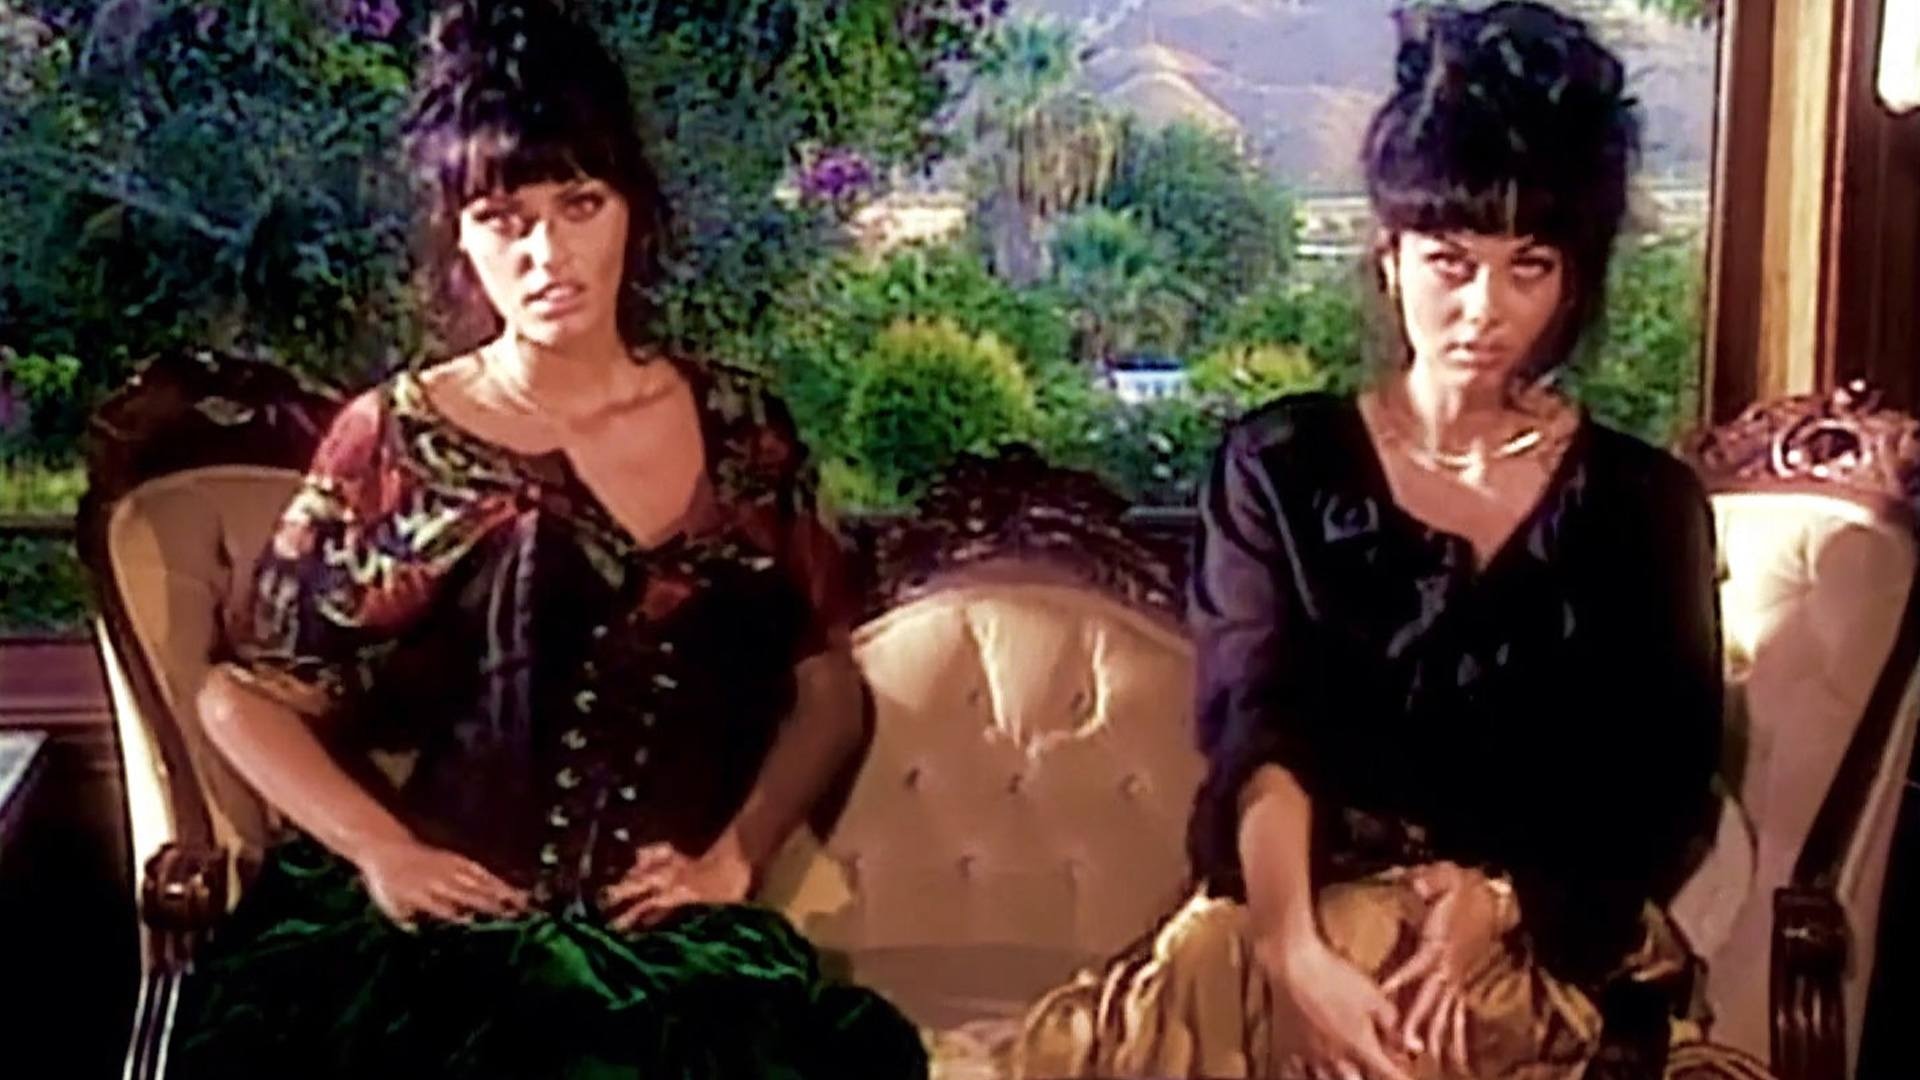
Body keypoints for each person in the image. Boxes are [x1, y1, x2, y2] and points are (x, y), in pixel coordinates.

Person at [171, 2, 927, 1076]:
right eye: (503, 218)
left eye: (579, 205)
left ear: (632, 209)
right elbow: (239, 699)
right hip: (451, 953)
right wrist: (382, 850)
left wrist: (733, 858)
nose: (546, 254)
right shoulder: (399, 437)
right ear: (460, 237)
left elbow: (827, 687)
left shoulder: (743, 427)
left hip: (670, 956)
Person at [1016, 4, 1769, 1079]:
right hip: (1293, 909)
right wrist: (1292, 947)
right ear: (1390, 260)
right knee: (1238, 961)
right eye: (1450, 261)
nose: (1483, 309)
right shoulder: (1280, 467)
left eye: (1529, 266)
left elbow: (1659, 780)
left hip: (1548, 932)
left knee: (1416, 1007)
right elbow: (1259, 731)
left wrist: (1500, 903)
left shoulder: (1643, 504)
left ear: (1574, 281)